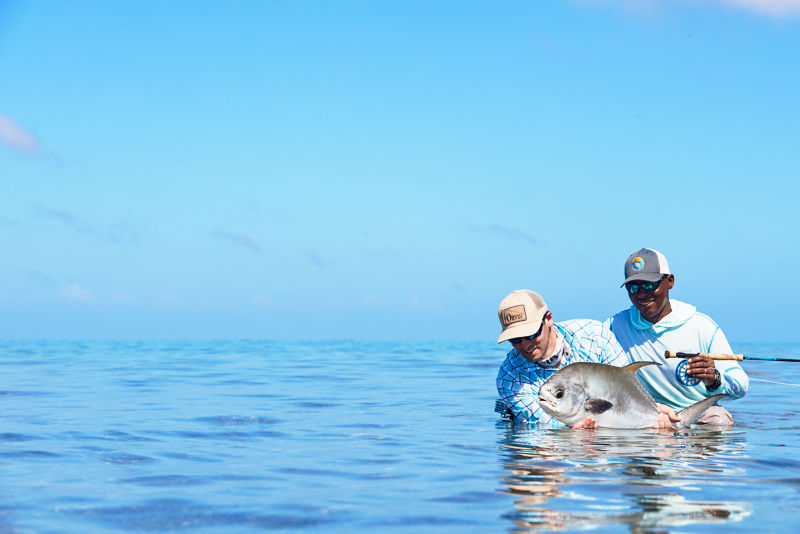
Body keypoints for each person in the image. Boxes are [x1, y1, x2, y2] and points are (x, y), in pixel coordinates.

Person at [608, 248, 749, 425]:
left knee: (719, 420)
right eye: (633, 287)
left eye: (649, 284)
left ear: (670, 281)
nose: (642, 293)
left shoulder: (702, 327)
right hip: (644, 414)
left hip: (698, 413)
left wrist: (714, 379)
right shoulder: (614, 327)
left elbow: (741, 386)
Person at [495, 289, 643, 427]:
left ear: (548, 319)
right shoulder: (510, 377)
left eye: (531, 334)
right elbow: (546, 426)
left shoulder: (595, 336)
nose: (525, 345)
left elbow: (628, 388)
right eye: (515, 339)